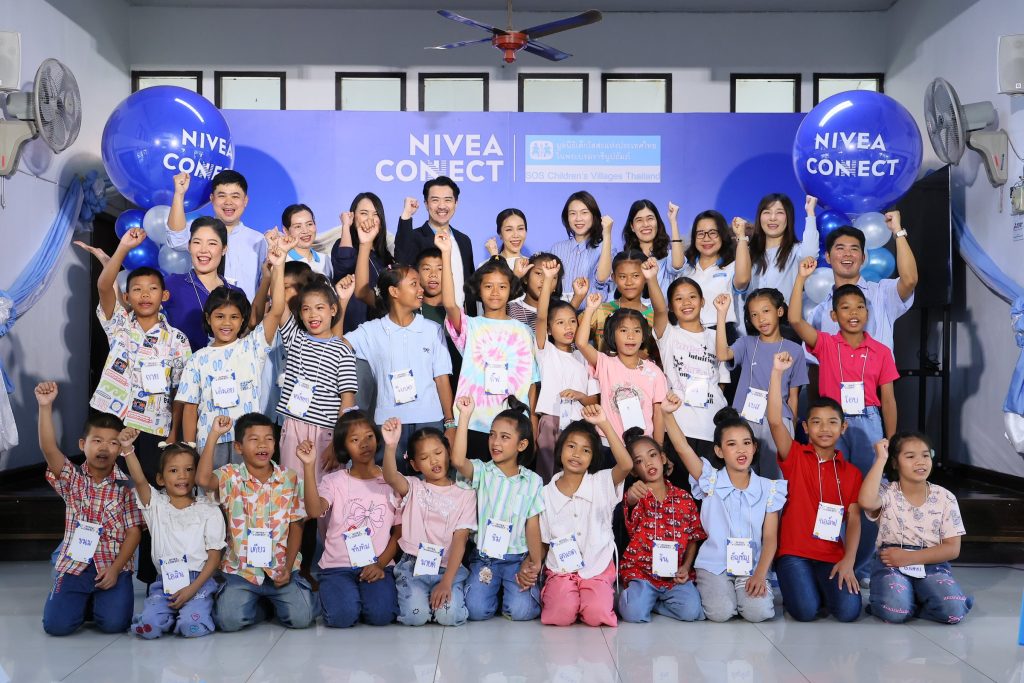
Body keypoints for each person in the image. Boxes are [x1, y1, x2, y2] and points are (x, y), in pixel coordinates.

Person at [89, 228, 192, 585]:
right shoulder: (118, 325)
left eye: (152, 289)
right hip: (112, 424)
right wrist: (123, 247)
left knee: (151, 500)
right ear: (127, 296)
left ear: (164, 295)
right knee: (108, 496)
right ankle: (103, 568)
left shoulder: (177, 341)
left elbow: (181, 393)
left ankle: (151, 577)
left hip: (153, 430)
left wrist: (175, 434)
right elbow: (104, 285)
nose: (145, 295)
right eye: (137, 289)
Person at [790, 258, 899, 582]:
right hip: (830, 425)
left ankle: (860, 566)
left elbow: (888, 399)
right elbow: (794, 319)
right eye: (845, 308)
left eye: (860, 307)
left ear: (868, 312)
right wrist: (801, 278)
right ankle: (826, 560)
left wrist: (890, 441)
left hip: (868, 423)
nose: (854, 313)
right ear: (834, 315)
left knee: (867, 498)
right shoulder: (825, 344)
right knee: (828, 495)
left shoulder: (881, 351)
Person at [664, 397, 787, 623]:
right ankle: (726, 594)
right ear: (719, 451)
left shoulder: (769, 488)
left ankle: (743, 594)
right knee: (720, 613)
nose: (741, 450)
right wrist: (667, 414)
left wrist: (760, 574)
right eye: (731, 444)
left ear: (754, 447)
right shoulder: (710, 480)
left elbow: (770, 538)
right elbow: (682, 448)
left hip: (751, 566)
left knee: (758, 613)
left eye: (746, 442)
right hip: (714, 565)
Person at [36, 382, 143, 636]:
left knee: (114, 625)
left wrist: (116, 569)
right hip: (75, 565)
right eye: (97, 441)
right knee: (56, 626)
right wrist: (45, 406)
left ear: (121, 449)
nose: (104, 448)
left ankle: (96, 602)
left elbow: (134, 533)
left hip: (112, 566)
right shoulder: (72, 478)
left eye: (113, 443)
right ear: (82, 444)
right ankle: (77, 598)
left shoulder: (127, 486)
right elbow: (49, 448)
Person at [197, 413, 316, 632]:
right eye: (254, 439)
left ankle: (276, 598)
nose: (263, 444)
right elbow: (203, 480)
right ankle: (262, 606)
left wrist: (288, 567)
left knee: (303, 618)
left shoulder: (288, 478)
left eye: (269, 439)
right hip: (241, 571)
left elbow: (297, 525)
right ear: (238, 447)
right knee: (229, 621)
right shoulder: (230, 475)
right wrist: (214, 435)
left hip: (280, 569)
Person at [767, 352, 863, 623]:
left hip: (831, 555)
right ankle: (806, 588)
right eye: (816, 422)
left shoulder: (851, 473)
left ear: (843, 427)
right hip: (794, 554)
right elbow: (775, 421)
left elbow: (854, 519)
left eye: (832, 422)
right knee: (806, 612)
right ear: (806, 428)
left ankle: (816, 588)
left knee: (849, 612)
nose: (824, 428)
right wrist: (777, 373)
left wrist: (849, 560)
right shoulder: (796, 456)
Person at [176, 244, 287, 467]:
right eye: (220, 316)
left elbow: (276, 310)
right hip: (209, 442)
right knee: (211, 490)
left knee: (246, 489)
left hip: (246, 441)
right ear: (208, 318)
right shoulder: (197, 359)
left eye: (234, 317)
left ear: (243, 320)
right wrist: (189, 449)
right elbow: (190, 408)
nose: (226, 323)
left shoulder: (253, 346)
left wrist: (279, 265)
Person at [438, 231, 539, 459]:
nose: (495, 293)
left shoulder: (524, 331)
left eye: (502, 287)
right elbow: (450, 304)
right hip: (473, 422)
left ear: (511, 289)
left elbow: (532, 381)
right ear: (478, 289)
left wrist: (532, 422)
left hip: (513, 426)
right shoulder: (470, 326)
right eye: (488, 286)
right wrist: (446, 253)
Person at [296, 413, 400, 628]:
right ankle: (337, 597)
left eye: (369, 436)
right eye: (355, 439)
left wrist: (380, 564)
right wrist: (308, 466)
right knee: (341, 617)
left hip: (376, 564)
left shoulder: (391, 481)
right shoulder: (334, 481)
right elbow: (314, 510)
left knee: (381, 616)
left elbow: (399, 532)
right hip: (338, 567)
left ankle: (357, 597)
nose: (364, 444)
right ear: (343, 446)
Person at [345, 264, 454, 465]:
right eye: (414, 284)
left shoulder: (433, 329)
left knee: (430, 480)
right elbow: (335, 346)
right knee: (390, 481)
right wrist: (342, 301)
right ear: (394, 291)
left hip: (429, 420)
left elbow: (441, 378)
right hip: (388, 423)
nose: (421, 289)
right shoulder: (371, 330)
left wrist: (450, 423)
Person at [858, 434, 972, 624]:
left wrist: (909, 558)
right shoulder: (887, 492)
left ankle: (914, 601)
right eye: (910, 456)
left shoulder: (945, 497)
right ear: (895, 463)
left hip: (931, 562)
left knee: (954, 612)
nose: (920, 461)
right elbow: (866, 501)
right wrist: (881, 459)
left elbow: (952, 548)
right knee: (895, 611)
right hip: (892, 561)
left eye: (925, 455)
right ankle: (899, 602)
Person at [452, 396, 544, 622]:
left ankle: (509, 592)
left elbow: (532, 525)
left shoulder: (533, 481)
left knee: (522, 611)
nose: (495, 442)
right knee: (476, 611)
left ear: (522, 445)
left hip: (517, 559)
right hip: (486, 559)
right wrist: (464, 417)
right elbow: (458, 461)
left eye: (504, 437)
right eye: (492, 435)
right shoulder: (483, 472)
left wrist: (534, 562)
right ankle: (494, 591)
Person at [539, 405, 632, 627]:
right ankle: (567, 596)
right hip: (561, 568)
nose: (577, 454)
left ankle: (591, 597)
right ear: (560, 449)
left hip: (597, 565)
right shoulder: (545, 493)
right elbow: (543, 539)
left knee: (597, 615)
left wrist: (603, 423)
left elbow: (626, 464)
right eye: (571, 446)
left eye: (586, 450)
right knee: (560, 616)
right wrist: (533, 564)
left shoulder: (601, 482)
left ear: (593, 458)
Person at [123, 439, 224, 639]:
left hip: (199, 582)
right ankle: (161, 618)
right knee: (150, 625)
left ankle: (192, 615)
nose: (182, 476)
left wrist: (192, 589)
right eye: (174, 470)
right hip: (166, 582)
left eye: (189, 469)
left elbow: (214, 557)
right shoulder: (156, 506)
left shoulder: (208, 509)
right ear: (160, 478)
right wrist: (127, 448)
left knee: (190, 626)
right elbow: (140, 480)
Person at [381, 423, 477, 627]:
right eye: (424, 458)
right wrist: (390, 447)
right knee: (415, 617)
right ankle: (423, 602)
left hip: (448, 568)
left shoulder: (466, 494)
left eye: (438, 453)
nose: (433, 460)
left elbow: (460, 540)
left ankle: (440, 600)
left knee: (449, 616)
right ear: (415, 465)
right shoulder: (413, 487)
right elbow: (390, 477)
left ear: (448, 452)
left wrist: (446, 582)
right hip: (414, 567)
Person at [714, 289, 808, 478]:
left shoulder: (795, 350)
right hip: (745, 418)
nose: (761, 319)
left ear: (779, 311)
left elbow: (793, 396)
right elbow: (723, 354)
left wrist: (790, 427)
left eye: (766, 311)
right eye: (754, 315)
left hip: (779, 421)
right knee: (744, 475)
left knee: (776, 477)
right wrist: (721, 314)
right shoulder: (746, 343)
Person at [617, 427, 707, 623]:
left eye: (652, 455)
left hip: (673, 575)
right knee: (633, 613)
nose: (648, 463)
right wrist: (631, 496)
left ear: (663, 458)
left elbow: (694, 537)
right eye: (639, 461)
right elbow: (629, 505)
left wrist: (686, 566)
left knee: (691, 612)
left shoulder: (684, 498)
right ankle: (640, 598)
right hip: (642, 573)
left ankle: (654, 604)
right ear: (633, 470)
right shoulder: (636, 495)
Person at [275, 274, 358, 479]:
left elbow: (348, 400)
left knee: (324, 490)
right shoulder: (295, 338)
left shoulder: (343, 350)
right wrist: (278, 264)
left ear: (333, 310)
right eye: (306, 309)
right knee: (292, 487)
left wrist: (338, 443)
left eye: (320, 308)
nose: (313, 315)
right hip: (293, 428)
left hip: (326, 433)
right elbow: (278, 304)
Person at [806, 212, 918, 353]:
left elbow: (909, 280)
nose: (847, 254)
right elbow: (812, 362)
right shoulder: (818, 312)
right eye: (840, 248)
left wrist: (898, 231)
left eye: (854, 249)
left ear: (863, 258)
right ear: (828, 257)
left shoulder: (881, 293)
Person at [577, 291, 667, 446]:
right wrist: (590, 309)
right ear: (612, 334)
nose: (631, 336)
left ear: (643, 336)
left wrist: (658, 449)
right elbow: (581, 343)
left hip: (642, 446)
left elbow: (659, 413)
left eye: (637, 331)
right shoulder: (605, 363)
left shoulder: (655, 372)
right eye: (623, 330)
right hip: (608, 443)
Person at [532, 259, 594, 483]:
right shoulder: (545, 351)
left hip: (579, 424)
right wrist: (549, 279)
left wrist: (579, 396)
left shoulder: (584, 356)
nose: (568, 327)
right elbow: (541, 316)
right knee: (548, 476)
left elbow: (594, 399)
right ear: (549, 329)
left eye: (572, 322)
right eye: (560, 323)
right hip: (552, 420)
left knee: (576, 479)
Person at [654, 276, 728, 460]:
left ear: (702, 301)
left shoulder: (717, 336)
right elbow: (659, 310)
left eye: (692, 297)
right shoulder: (668, 334)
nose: (686, 302)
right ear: (671, 306)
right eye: (679, 298)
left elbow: (721, 383)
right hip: (678, 427)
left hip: (711, 428)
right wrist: (651, 278)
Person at [167, 170, 268, 301]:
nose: (228, 202)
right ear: (212, 199)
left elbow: (266, 288)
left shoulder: (259, 241)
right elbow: (176, 238)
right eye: (222, 195)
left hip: (245, 312)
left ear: (245, 201)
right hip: (200, 309)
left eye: (235, 196)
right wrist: (179, 194)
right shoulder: (198, 230)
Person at [162, 216, 243, 352]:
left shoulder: (236, 293)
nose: (203, 250)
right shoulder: (172, 284)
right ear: (189, 246)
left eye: (212, 243)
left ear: (224, 249)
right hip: (180, 365)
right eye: (197, 242)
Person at [395, 177, 475, 309]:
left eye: (447, 200)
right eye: (435, 200)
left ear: (456, 203)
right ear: (426, 204)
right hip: (427, 314)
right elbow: (401, 263)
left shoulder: (464, 240)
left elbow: (469, 284)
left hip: (462, 317)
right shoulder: (414, 237)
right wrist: (407, 215)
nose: (442, 206)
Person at [332, 192, 396, 332]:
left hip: (383, 325)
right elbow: (344, 263)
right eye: (364, 213)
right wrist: (346, 226)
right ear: (353, 216)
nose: (370, 219)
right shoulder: (345, 245)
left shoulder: (384, 254)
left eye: (375, 214)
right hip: (354, 324)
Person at [680, 210, 751, 333]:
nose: (706, 238)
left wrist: (741, 235)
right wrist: (646, 313)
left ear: (722, 235)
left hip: (722, 333)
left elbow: (743, 279)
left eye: (713, 233)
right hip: (687, 335)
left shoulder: (732, 267)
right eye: (700, 233)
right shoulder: (684, 269)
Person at [745, 194, 820, 306]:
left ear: (788, 217)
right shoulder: (748, 252)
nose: (772, 218)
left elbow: (810, 255)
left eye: (779, 212)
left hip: (786, 316)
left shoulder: (796, 250)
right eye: (767, 212)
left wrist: (810, 212)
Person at [588, 249, 656, 357]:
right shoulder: (599, 311)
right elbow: (571, 333)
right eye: (623, 276)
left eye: (635, 276)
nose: (629, 282)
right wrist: (578, 297)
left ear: (646, 277)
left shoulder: (654, 318)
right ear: (614, 278)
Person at [548, 191, 613, 296]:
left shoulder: (605, 248)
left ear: (594, 216)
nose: (578, 218)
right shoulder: (557, 248)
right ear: (567, 217)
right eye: (573, 213)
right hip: (560, 306)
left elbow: (602, 279)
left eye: (584, 212)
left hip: (592, 306)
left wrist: (607, 234)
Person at [507, 252, 587, 333]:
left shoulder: (556, 312)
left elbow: (564, 321)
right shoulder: (510, 309)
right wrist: (516, 276)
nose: (545, 280)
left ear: (556, 286)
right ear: (525, 278)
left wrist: (578, 297)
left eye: (552, 276)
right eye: (539, 273)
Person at [415, 246, 462, 384]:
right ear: (416, 274)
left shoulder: (456, 313)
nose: (433, 274)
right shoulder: (411, 312)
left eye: (440, 269)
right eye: (426, 269)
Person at [621, 199, 686, 294]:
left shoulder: (668, 257)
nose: (645, 224)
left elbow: (678, 265)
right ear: (632, 227)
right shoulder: (625, 259)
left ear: (657, 222)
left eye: (650, 218)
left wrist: (673, 221)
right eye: (639, 220)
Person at [282, 203, 332, 278]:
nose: (305, 231)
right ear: (286, 231)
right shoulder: (282, 261)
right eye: (298, 226)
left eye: (309, 224)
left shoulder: (325, 259)